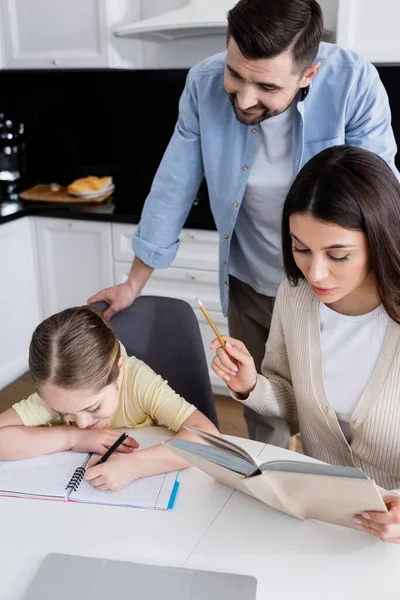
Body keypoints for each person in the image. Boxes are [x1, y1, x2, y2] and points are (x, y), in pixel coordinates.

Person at [89, 0, 399, 447]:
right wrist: (133, 283)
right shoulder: (202, 84)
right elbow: (173, 184)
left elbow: (379, 192)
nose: (245, 98)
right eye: (236, 75)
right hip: (251, 282)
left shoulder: (353, 81)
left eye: (267, 86)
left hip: (337, 293)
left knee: (348, 419)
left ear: (308, 74)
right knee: (263, 413)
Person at [210, 145, 400, 543]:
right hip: (320, 520)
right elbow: (293, 405)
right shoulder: (295, 298)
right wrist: (249, 385)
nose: (315, 272)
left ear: (382, 237)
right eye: (301, 248)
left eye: (338, 255)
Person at [0, 306, 219, 491]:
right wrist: (73, 438)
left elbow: (208, 439)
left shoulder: (138, 381)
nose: (84, 423)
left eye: (93, 407)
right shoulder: (57, 391)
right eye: (64, 413)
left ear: (119, 370)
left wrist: (135, 466)